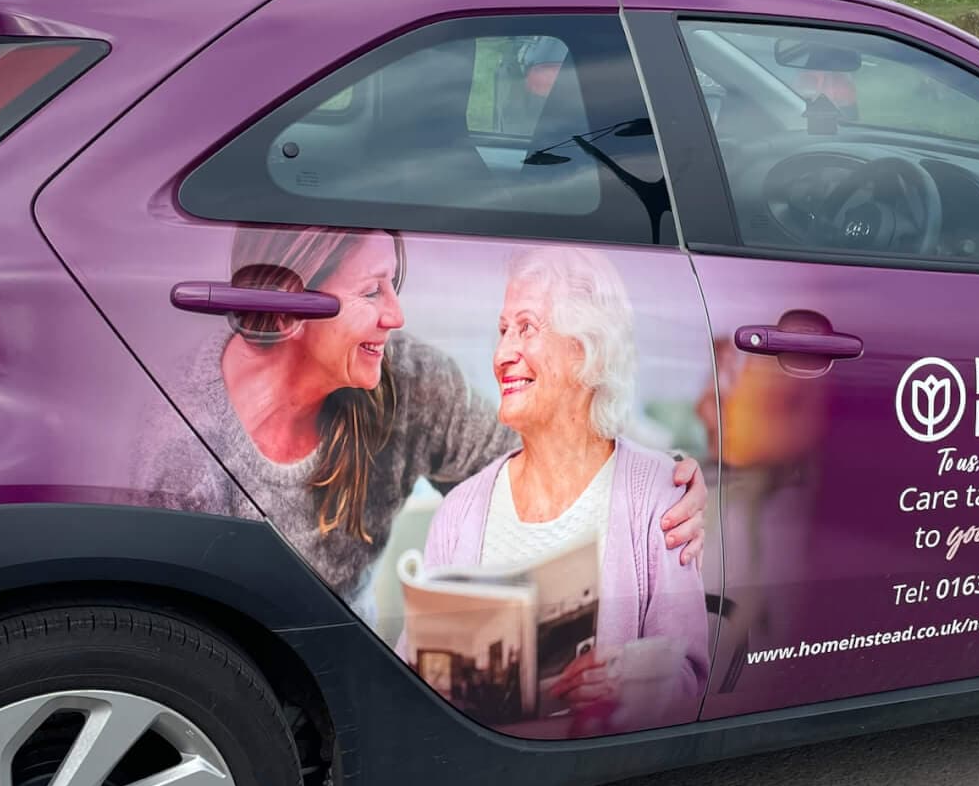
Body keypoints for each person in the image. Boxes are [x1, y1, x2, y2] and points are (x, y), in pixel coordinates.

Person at [183, 225, 706, 619]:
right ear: (285, 310)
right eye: (372, 291)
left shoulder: (409, 380)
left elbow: (553, 453)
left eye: (394, 283)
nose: (396, 315)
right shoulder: (178, 439)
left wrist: (666, 478)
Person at [418, 245, 709, 731]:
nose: (502, 354)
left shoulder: (658, 494)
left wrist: (624, 683)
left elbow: (689, 673)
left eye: (526, 327)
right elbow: (417, 675)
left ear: (586, 346)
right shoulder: (460, 511)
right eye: (502, 330)